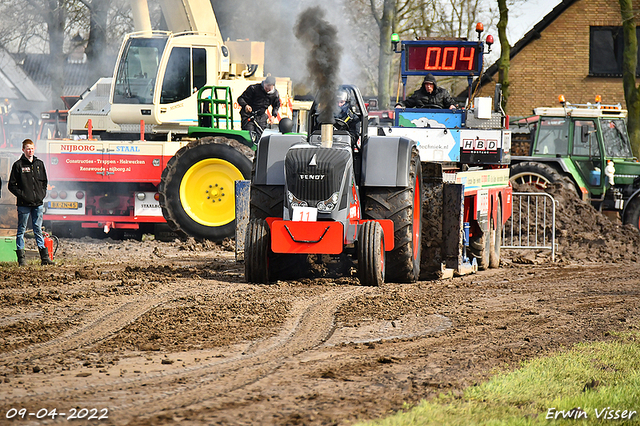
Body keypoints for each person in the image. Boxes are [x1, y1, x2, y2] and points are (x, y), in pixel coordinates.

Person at [8, 138, 54, 266]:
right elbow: (12, 185)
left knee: (37, 229)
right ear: (23, 150)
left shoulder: (39, 164)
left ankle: (45, 258)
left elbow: (44, 182)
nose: (30, 151)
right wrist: (22, 196)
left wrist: (42, 195)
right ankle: (21, 259)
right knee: (21, 230)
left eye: (32, 148)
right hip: (23, 205)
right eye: (28, 148)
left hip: (38, 204)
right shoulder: (18, 165)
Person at [237, 76, 280, 141]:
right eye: (266, 88)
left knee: (260, 137)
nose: (267, 90)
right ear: (264, 83)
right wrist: (246, 106)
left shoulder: (274, 94)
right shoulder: (254, 88)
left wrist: (273, 116)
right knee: (249, 136)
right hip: (249, 115)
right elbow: (240, 99)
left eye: (269, 89)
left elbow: (276, 105)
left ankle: (258, 150)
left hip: (261, 116)